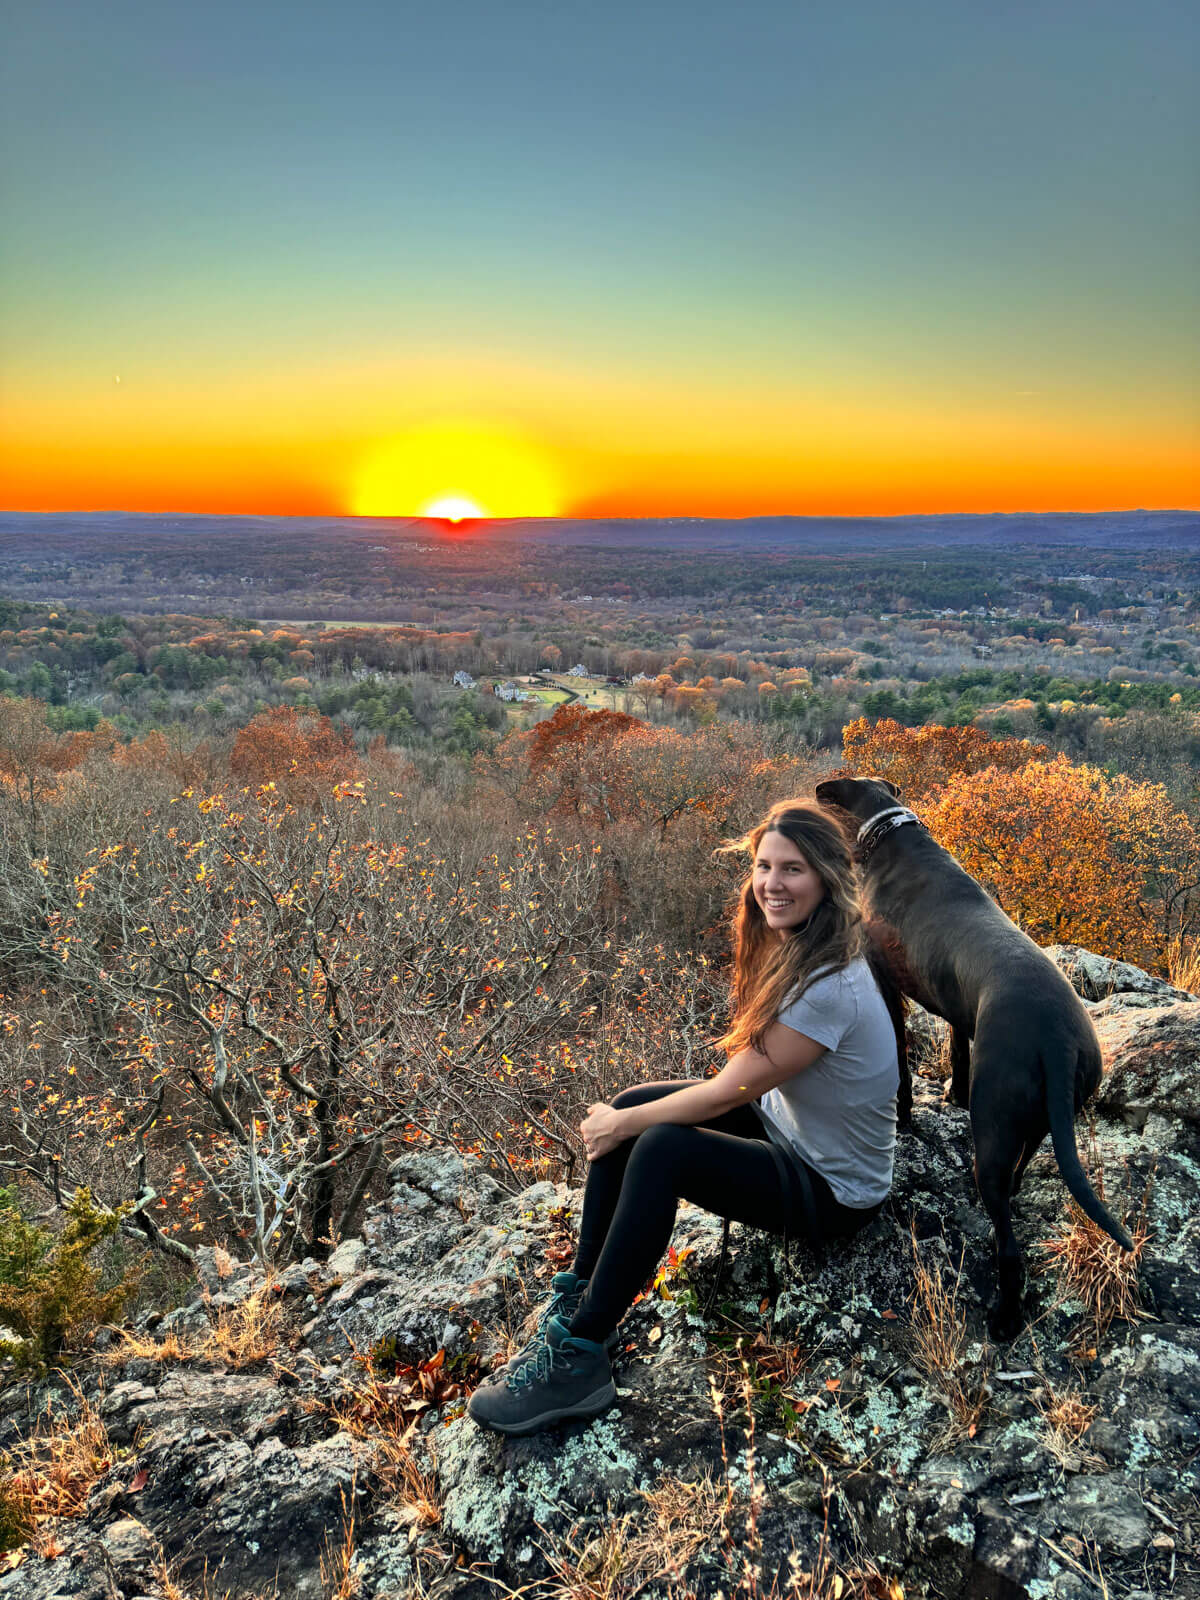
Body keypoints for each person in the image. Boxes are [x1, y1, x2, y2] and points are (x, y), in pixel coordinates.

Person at [467, 797, 901, 1436]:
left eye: (793, 870)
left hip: (835, 1188)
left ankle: (580, 1355)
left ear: (827, 879)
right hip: (790, 1128)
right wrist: (623, 1121)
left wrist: (620, 1131)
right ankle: (582, 1296)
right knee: (633, 1107)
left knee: (657, 1145)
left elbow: (726, 1093)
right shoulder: (811, 946)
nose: (772, 885)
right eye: (764, 866)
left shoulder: (830, 982)